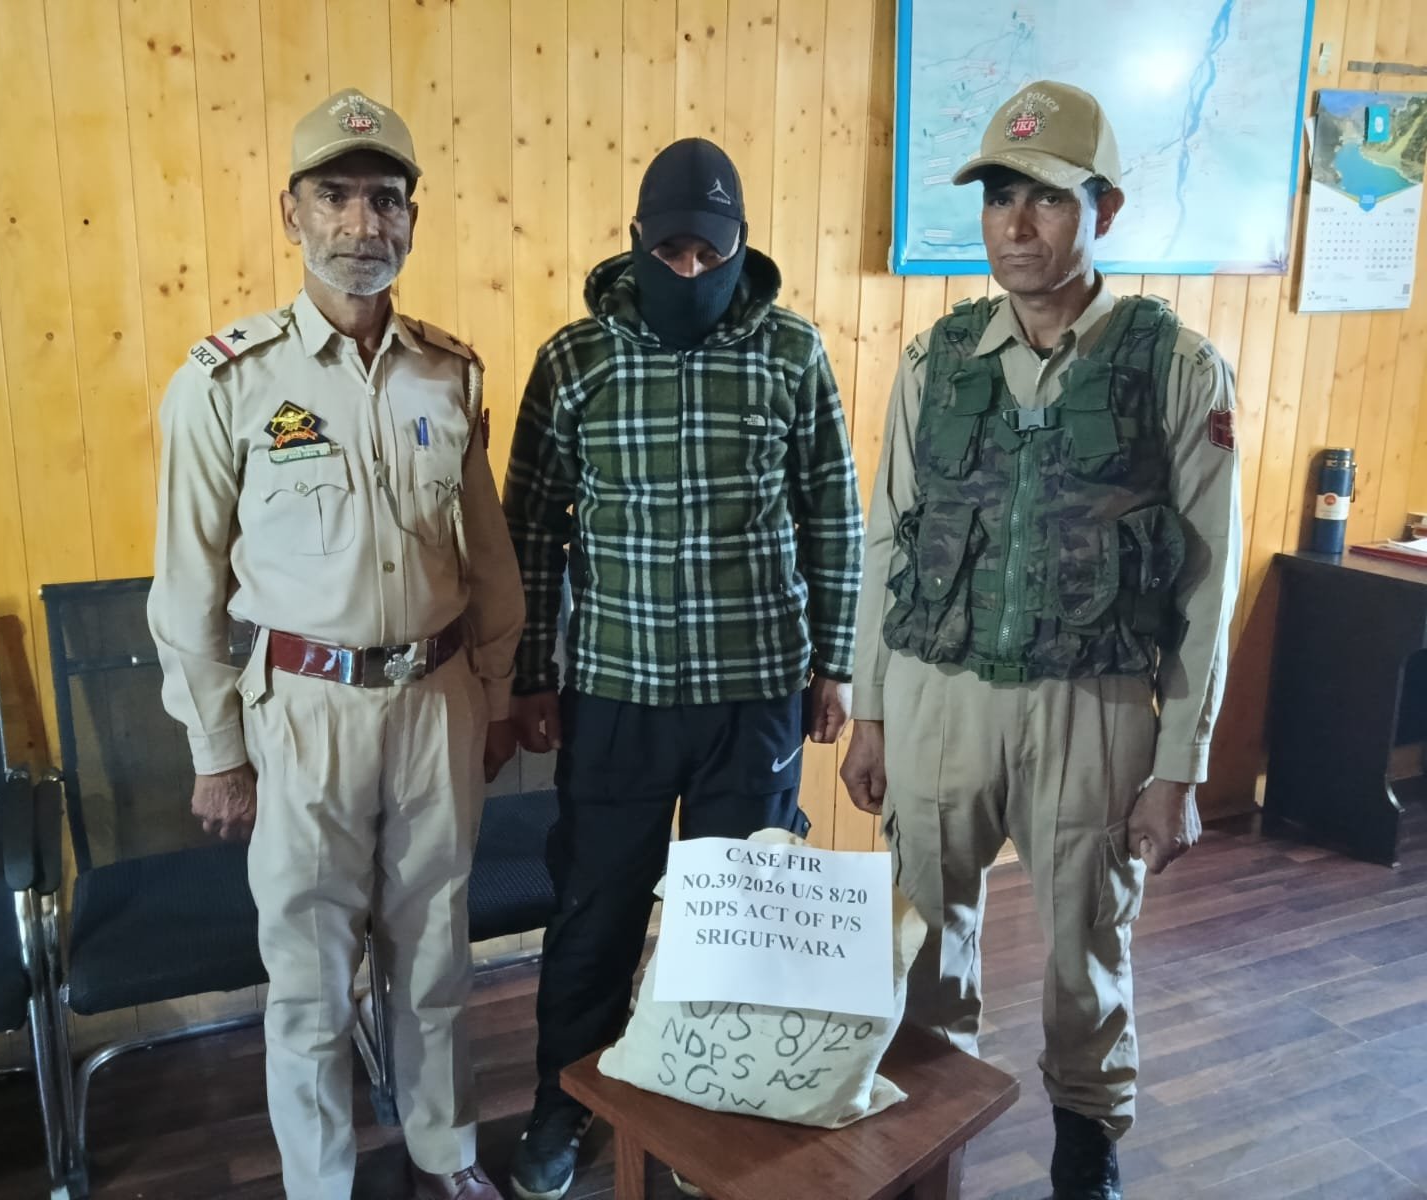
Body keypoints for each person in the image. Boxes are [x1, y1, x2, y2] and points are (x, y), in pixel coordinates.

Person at [840, 81, 1241, 1200]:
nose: (1016, 226)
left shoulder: (1173, 367)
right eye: (998, 198)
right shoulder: (935, 361)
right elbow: (887, 537)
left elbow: (1207, 583)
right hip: (937, 695)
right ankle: (928, 1147)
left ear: (1103, 210)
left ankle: (1086, 1143)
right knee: (922, 939)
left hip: (1092, 704)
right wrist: (871, 709)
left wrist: (1179, 766)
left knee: (1086, 945)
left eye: (1048, 200)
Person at [148, 87, 523, 1200]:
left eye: (385, 199)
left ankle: (445, 1155)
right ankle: (320, 1184)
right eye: (335, 196)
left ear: (412, 218)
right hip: (302, 711)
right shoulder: (226, 381)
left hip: (437, 700)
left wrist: (497, 693)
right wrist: (217, 748)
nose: (362, 223)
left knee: (436, 954)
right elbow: (186, 590)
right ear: (292, 212)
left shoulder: (449, 373)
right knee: (310, 978)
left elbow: (489, 558)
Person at [500, 137, 864, 1200]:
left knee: (734, 923)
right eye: (671, 252)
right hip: (615, 693)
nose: (691, 271)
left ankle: (715, 1110)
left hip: (755, 696)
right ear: (637, 244)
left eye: (710, 253)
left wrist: (836, 662)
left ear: (740, 245)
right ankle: (565, 1102)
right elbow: (530, 529)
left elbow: (834, 515)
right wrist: (529, 674)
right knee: (596, 912)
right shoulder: (575, 359)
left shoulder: (791, 353)